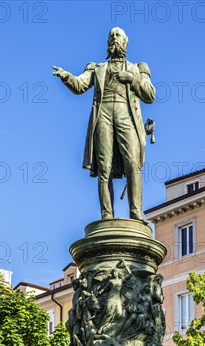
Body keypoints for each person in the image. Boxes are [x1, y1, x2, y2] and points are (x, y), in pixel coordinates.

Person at [53, 27, 155, 222]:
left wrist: (132, 80)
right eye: (111, 36)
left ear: (125, 42)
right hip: (104, 116)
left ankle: (135, 214)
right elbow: (80, 85)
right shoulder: (98, 68)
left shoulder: (138, 68)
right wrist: (66, 76)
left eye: (118, 36)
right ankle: (107, 215)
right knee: (104, 167)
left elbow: (150, 95)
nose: (114, 39)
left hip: (127, 116)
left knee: (133, 164)